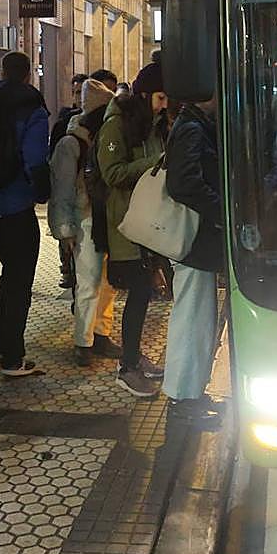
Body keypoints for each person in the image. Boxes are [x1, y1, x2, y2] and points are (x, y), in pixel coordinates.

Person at [0, 51, 50, 377]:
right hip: (16, 205)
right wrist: (42, 193)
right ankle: (11, 357)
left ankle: (4, 346)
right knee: (20, 280)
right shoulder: (33, 110)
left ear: (2, 73)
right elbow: (35, 159)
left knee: (10, 274)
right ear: (28, 74)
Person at [98, 61, 171, 397]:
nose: (164, 105)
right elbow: (112, 173)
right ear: (144, 94)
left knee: (143, 294)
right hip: (127, 223)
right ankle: (127, 368)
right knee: (139, 292)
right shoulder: (117, 124)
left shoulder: (153, 125)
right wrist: (154, 164)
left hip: (149, 220)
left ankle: (133, 357)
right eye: (160, 98)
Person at [48, 78, 123, 366]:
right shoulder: (71, 144)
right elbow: (62, 191)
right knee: (88, 282)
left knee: (107, 281)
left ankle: (101, 334)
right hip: (86, 220)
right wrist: (65, 231)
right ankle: (84, 341)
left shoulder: (100, 139)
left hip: (105, 218)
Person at [163, 94, 223, 421]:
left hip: (197, 239)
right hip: (193, 238)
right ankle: (183, 398)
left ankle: (190, 392)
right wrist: (221, 210)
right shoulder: (192, 128)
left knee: (196, 316)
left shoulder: (192, 124)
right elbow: (183, 184)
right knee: (192, 317)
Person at [50, 73, 91, 294]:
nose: (79, 97)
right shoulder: (65, 126)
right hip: (74, 204)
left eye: (81, 92)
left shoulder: (96, 125)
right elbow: (60, 179)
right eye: (76, 92)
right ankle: (66, 268)